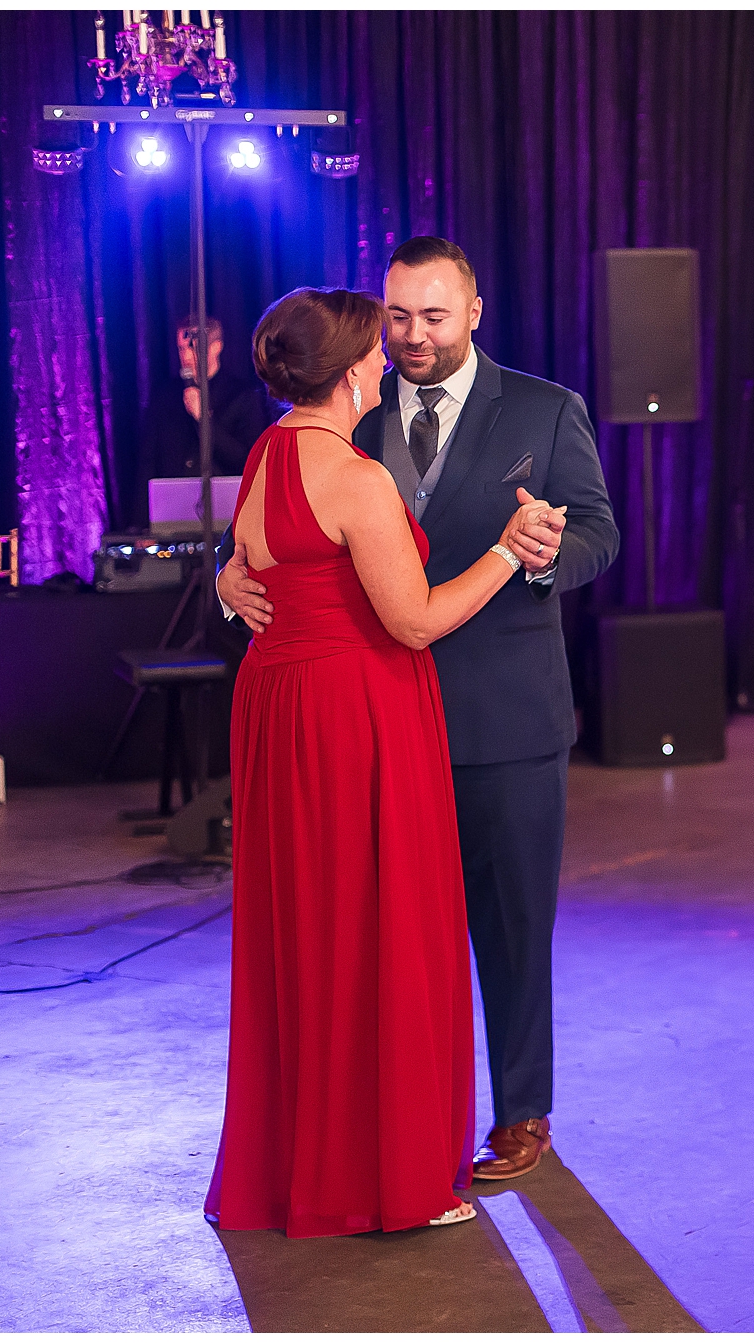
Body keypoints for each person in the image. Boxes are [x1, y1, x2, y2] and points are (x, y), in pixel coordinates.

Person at [218, 236, 619, 1183]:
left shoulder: (546, 408)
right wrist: (228, 576)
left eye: (434, 317)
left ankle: (520, 1112)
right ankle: (385, 1129)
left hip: (503, 717)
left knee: (512, 926)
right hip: (372, 725)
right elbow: (278, 522)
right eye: (397, 317)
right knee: (380, 937)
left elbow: (599, 531)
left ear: (473, 312)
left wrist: (545, 554)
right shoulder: (342, 407)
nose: (413, 336)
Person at [142, 316, 275, 483]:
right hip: (172, 495)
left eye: (194, 348)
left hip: (221, 494)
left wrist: (203, 418)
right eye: (181, 348)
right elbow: (148, 460)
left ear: (216, 347)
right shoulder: (164, 395)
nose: (186, 357)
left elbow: (246, 461)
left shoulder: (243, 396)